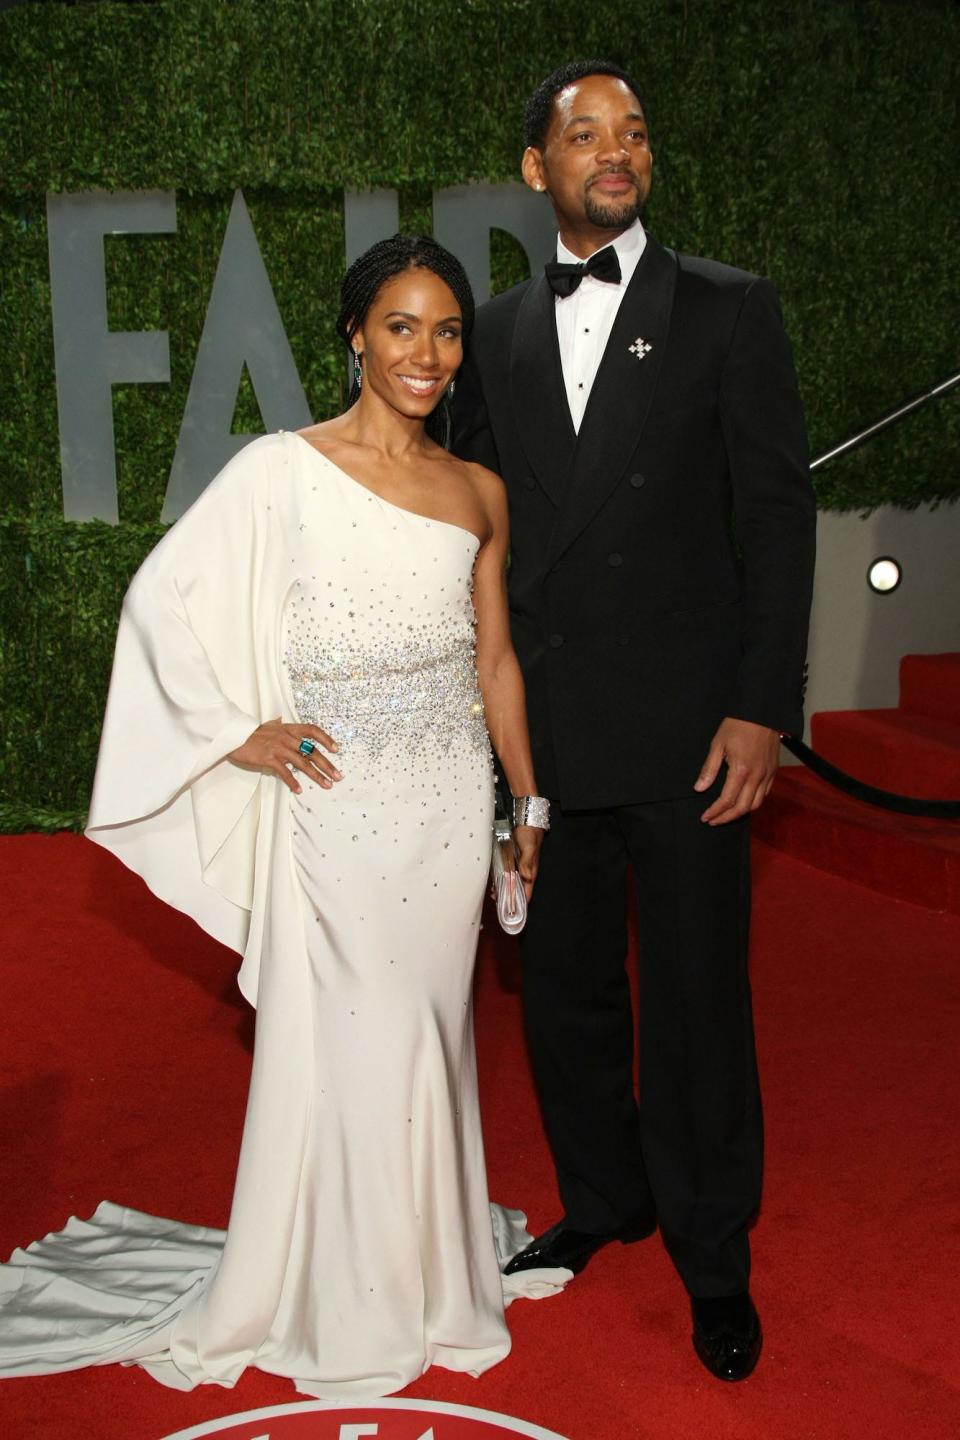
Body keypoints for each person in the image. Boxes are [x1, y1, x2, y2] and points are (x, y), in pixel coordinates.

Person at [0, 236, 566, 1399]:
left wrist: (528, 797)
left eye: (447, 330)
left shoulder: (480, 491)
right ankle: (334, 1288)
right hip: (336, 805)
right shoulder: (278, 470)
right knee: (347, 1036)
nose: (427, 353)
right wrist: (234, 731)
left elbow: (496, 662)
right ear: (355, 334)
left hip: (447, 805)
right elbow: (160, 602)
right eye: (401, 326)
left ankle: (424, 1268)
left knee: (429, 1034)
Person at [452, 60, 817, 1381]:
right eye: (586, 134)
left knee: (700, 1004)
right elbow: (475, 521)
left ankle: (714, 1256)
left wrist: (762, 708)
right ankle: (604, 1203)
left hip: (688, 734)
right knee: (561, 994)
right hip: (545, 732)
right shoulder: (491, 332)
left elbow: (776, 520)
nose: (618, 152)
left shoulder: (727, 310)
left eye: (635, 133)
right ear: (536, 167)